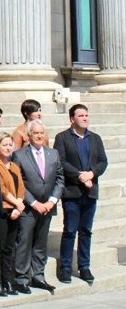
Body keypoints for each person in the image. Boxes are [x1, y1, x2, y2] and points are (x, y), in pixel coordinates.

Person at [54, 104, 108, 285]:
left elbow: (103, 161)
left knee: (86, 231)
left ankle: (84, 267)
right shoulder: (62, 138)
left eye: (86, 115)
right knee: (70, 230)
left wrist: (92, 174)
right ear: (72, 119)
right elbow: (60, 162)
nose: (85, 118)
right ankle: (66, 268)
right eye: (81, 116)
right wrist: (79, 176)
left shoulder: (95, 138)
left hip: (90, 190)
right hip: (72, 192)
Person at [12, 120, 64, 295]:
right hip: (29, 207)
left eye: (42, 133)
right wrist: (34, 203)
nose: (40, 136)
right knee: (24, 242)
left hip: (47, 207)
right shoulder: (20, 155)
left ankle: (38, 275)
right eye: (36, 133)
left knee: (41, 243)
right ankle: (21, 278)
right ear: (29, 136)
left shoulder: (53, 154)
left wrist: (51, 201)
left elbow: (59, 179)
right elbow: (18, 183)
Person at [0, 132, 25, 298]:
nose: (8, 148)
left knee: (10, 248)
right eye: (4, 145)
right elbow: (2, 189)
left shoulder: (15, 166)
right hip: (2, 211)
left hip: (16, 211)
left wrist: (19, 205)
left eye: (10, 144)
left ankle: (8, 280)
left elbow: (21, 189)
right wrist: (16, 203)